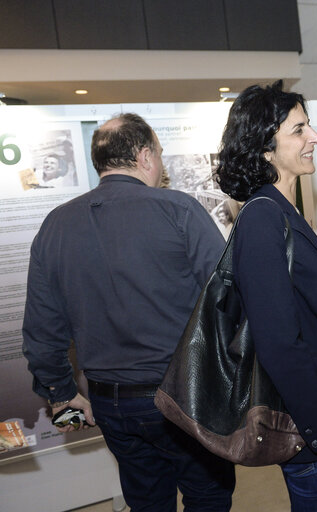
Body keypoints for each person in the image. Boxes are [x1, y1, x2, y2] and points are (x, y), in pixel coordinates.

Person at [22, 113, 235, 511]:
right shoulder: (180, 210)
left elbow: (42, 329)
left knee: (146, 500)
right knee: (208, 496)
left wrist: (62, 394)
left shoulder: (56, 224)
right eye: (159, 153)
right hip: (183, 397)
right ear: (144, 156)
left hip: (109, 403)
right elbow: (227, 298)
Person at [214, 81, 317, 511]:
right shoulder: (263, 219)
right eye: (299, 130)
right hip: (312, 437)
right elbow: (280, 345)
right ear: (266, 149)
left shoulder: (279, 210)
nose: (314, 137)